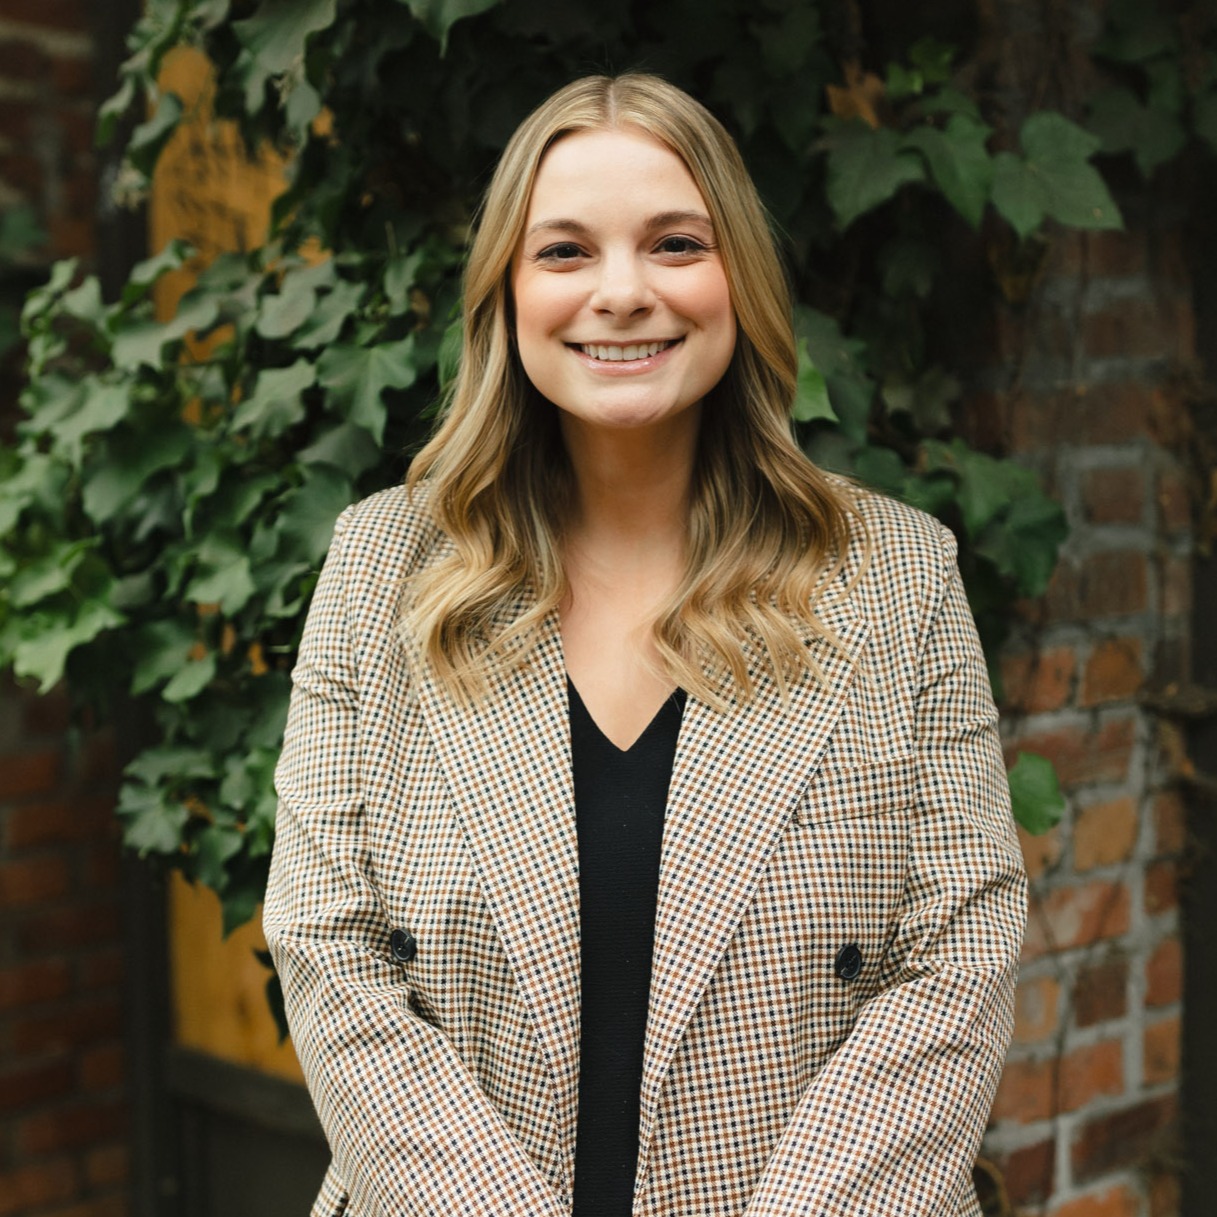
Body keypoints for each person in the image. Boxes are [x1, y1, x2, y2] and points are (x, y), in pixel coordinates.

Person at [263, 72, 1026, 1217]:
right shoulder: (383, 569)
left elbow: (956, 958)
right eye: (564, 252)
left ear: (738, 283)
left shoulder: (895, 576)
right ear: (507, 294)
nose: (620, 293)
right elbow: (327, 943)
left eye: (674, 242)